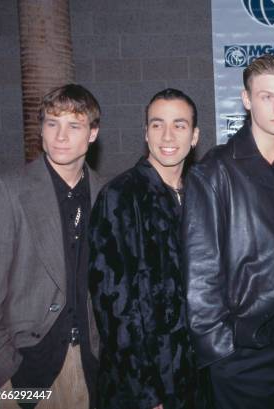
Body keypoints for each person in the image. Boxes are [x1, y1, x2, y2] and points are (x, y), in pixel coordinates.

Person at [181, 54, 274, 409]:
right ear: (247, 100)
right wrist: (220, 355)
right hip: (243, 357)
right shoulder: (214, 172)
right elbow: (200, 274)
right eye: (267, 96)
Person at [0, 84, 103, 409]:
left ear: (92, 133)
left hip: (93, 367)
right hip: (24, 369)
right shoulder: (8, 191)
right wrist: (2, 373)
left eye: (73, 125)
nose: (60, 136)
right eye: (52, 123)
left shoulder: (107, 194)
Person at [88, 89, 205, 409]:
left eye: (179, 125)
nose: (167, 135)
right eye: (157, 124)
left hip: (197, 378)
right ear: (145, 133)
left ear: (194, 136)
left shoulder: (202, 194)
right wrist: (146, 392)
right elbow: (113, 305)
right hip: (143, 384)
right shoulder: (120, 196)